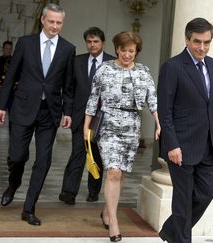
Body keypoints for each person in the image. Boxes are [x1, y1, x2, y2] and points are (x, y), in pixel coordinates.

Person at [0, 3, 75, 226]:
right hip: (22, 108)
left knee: (43, 161)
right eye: (51, 21)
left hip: (49, 112)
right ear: (43, 19)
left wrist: (67, 111)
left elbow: (68, 85)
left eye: (59, 23)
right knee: (17, 156)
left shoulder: (68, 49)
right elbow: (11, 76)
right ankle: (14, 183)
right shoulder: (25, 43)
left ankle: (28, 208)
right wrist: (1, 106)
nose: (55, 26)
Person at [84, 31, 160, 242]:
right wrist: (86, 126)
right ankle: (114, 221)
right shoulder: (104, 69)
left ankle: (108, 211)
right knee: (113, 172)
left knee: (121, 172)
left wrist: (158, 123)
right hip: (108, 124)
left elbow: (152, 100)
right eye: (123, 50)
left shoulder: (144, 72)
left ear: (136, 52)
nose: (127, 55)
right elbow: (93, 98)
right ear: (117, 49)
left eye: (131, 51)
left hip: (132, 127)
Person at [157, 17, 213, 243]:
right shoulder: (172, 67)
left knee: (206, 194)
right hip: (180, 145)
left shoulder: (212, 64)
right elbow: (164, 111)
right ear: (187, 39)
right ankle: (181, 239)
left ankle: (171, 230)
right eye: (197, 42)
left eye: (206, 42)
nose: (202, 47)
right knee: (182, 201)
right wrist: (171, 144)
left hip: (206, 144)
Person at [59, 27, 115, 205]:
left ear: (103, 43)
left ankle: (93, 191)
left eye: (96, 41)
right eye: (89, 42)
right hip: (80, 116)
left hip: (102, 118)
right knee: (77, 153)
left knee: (96, 155)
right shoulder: (76, 61)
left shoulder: (112, 63)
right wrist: (67, 112)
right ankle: (68, 192)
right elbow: (68, 90)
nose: (92, 45)